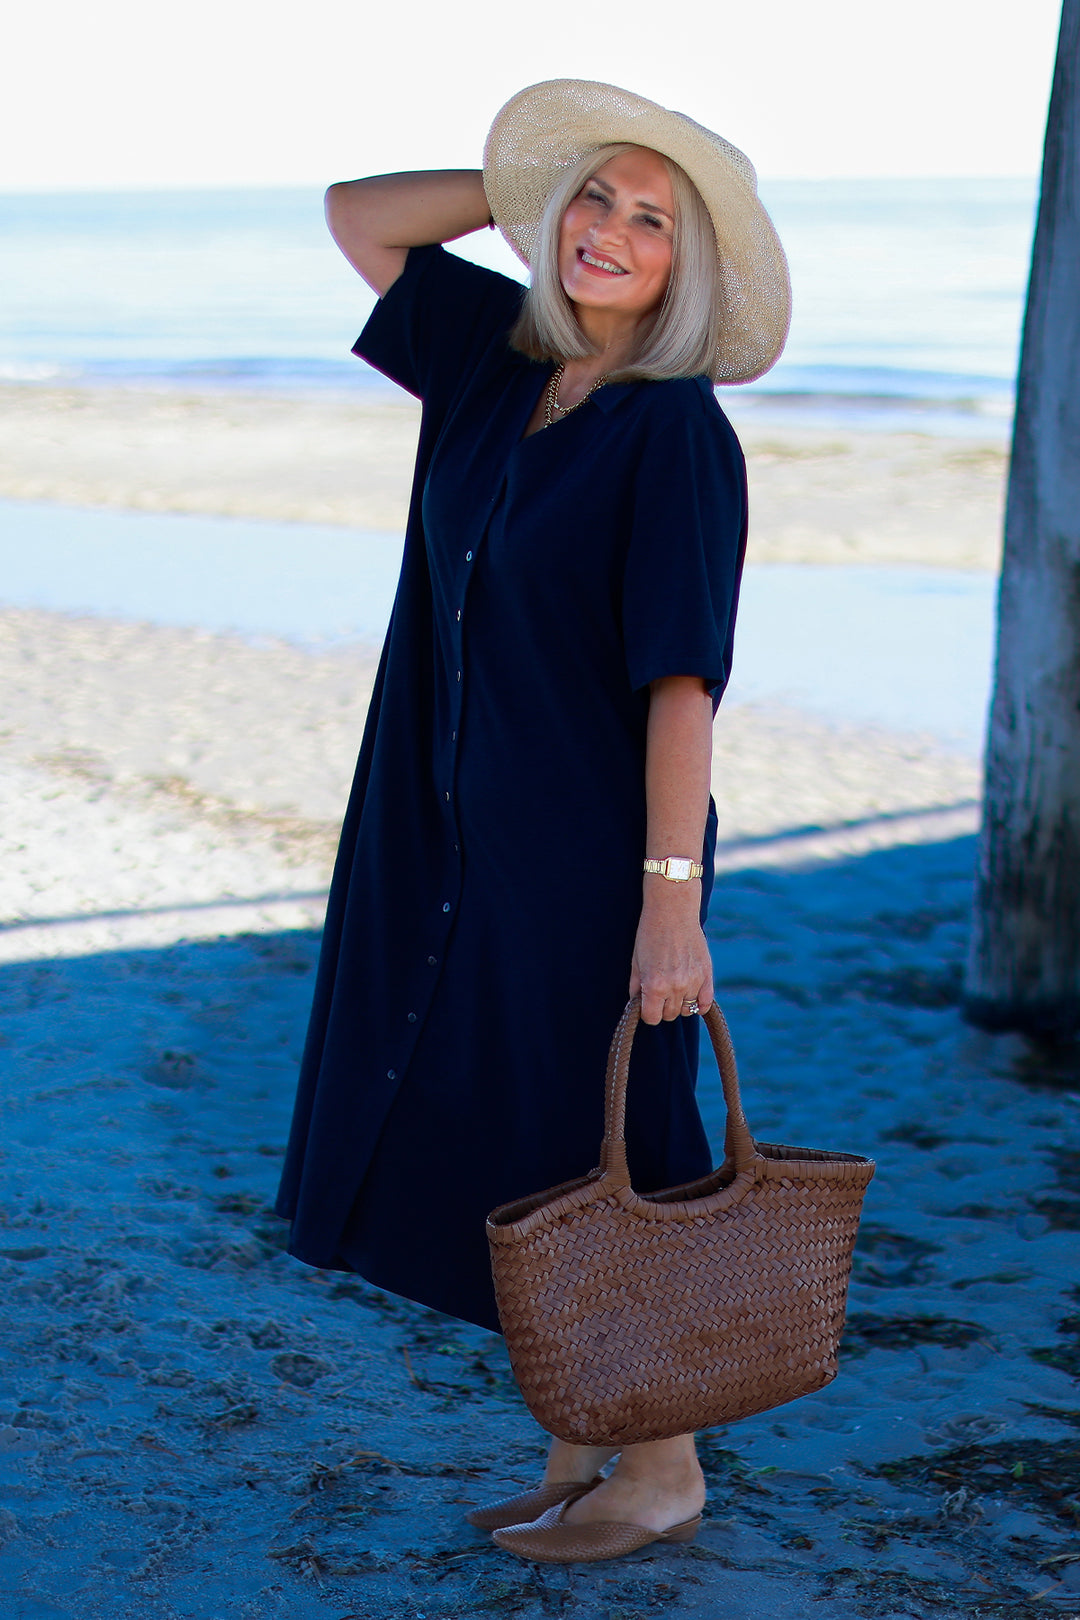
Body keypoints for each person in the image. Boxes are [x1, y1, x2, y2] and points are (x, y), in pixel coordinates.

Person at [274, 78, 790, 1564]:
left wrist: (669, 900)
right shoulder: (501, 367)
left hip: (590, 854)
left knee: (613, 1137)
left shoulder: (672, 432)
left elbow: (682, 680)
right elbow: (357, 220)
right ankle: (579, 1442)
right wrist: (528, 188)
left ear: (689, 267)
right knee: (507, 1141)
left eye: (650, 220)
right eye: (595, 200)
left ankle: (666, 1465)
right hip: (442, 836)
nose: (611, 232)